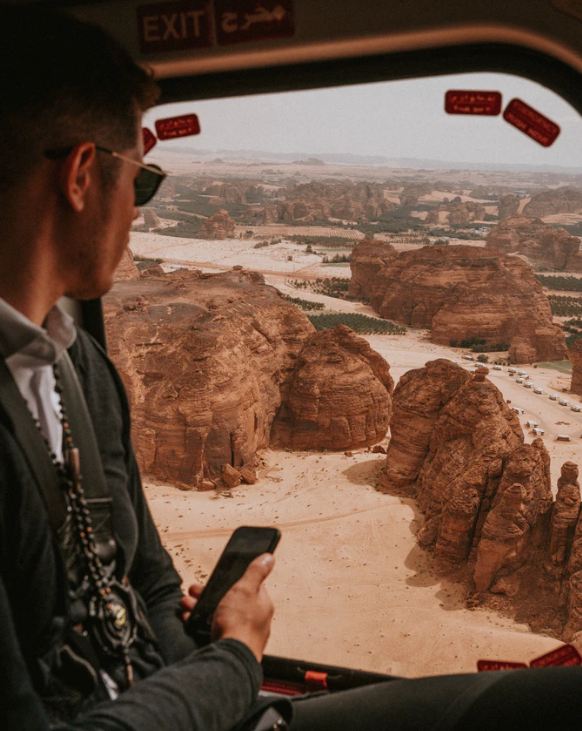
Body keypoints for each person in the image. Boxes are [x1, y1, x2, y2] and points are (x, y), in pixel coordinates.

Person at [2, 7, 582, 731]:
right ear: (83, 175)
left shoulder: (79, 366)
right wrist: (236, 658)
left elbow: (147, 576)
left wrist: (200, 655)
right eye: (142, 184)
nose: (140, 216)